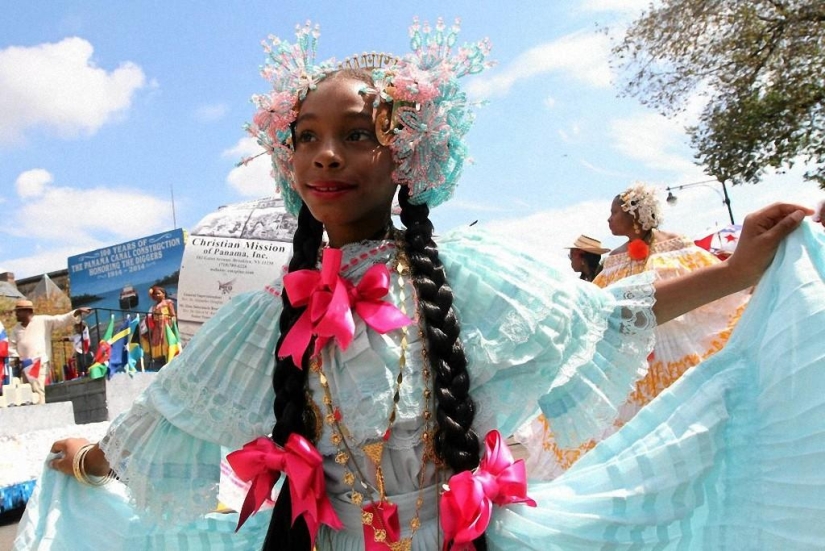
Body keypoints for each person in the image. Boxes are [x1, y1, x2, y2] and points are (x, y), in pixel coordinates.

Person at [17, 20, 823, 551]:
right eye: (307, 139)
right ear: (286, 160)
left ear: (408, 157)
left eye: (355, 137)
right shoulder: (260, 316)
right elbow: (166, 427)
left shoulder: (467, 273)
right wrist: (83, 460)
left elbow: (602, 316)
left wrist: (738, 269)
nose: (326, 156)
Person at [517, 183, 752, 480]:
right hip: (630, 357)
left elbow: (709, 281)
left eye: (614, 212)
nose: (609, 219)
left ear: (633, 214)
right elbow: (600, 306)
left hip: (673, 350)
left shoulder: (676, 246)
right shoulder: (615, 258)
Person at [7, 300, 91, 404]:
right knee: (27, 393)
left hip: (39, 363)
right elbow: (11, 346)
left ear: (27, 311)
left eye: (18, 311)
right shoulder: (16, 329)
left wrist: (77, 312)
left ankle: (41, 413)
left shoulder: (43, 321)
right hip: (24, 366)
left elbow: (61, 319)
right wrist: (15, 358)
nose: (16, 314)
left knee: (38, 390)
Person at [147, 285, 176, 367]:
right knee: (158, 341)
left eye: (158, 293)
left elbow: (173, 314)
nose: (156, 295)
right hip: (157, 327)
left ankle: (169, 356)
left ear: (163, 294)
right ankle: (161, 358)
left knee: (166, 340)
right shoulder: (154, 306)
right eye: (155, 294)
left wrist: (171, 323)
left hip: (166, 325)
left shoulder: (168, 302)